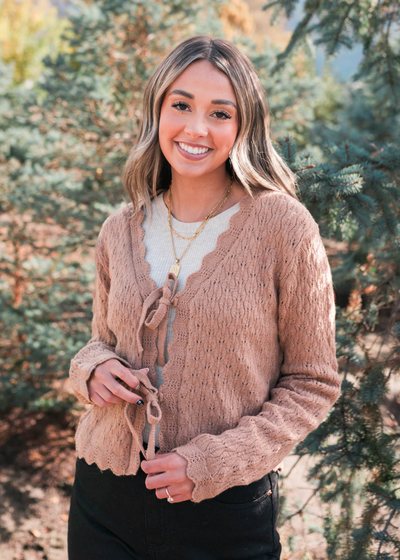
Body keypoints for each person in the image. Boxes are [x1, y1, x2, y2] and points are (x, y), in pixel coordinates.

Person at [67, 35, 341, 560]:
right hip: (102, 499)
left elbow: (314, 383)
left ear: (244, 126)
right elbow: (100, 342)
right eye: (182, 105)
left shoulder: (282, 226)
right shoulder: (120, 229)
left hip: (223, 510)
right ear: (158, 110)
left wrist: (211, 463)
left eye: (220, 112)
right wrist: (93, 369)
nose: (196, 128)